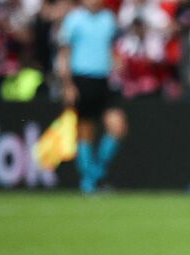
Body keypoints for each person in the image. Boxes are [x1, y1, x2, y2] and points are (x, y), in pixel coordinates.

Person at [57, 0, 127, 193]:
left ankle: (95, 174)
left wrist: (117, 62)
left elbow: (111, 49)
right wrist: (68, 84)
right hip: (82, 79)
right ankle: (90, 182)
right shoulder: (74, 19)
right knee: (86, 131)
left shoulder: (108, 19)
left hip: (104, 80)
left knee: (117, 126)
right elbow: (64, 54)